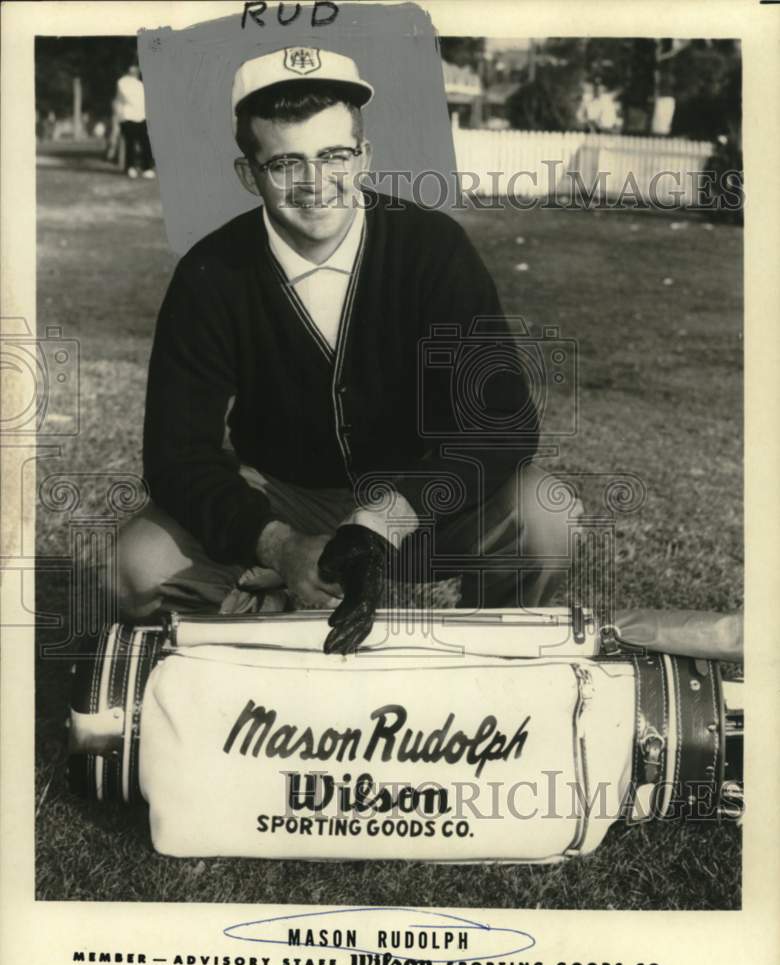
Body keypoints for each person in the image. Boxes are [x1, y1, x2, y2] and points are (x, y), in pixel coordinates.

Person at [116, 46, 582, 653]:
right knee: (135, 565)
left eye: (333, 155)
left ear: (364, 157)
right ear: (247, 173)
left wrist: (390, 515)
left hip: (418, 499)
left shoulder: (431, 249)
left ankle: (490, 670)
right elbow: (176, 455)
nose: (315, 184)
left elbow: (503, 422)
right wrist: (275, 543)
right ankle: (253, 648)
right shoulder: (212, 272)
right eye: (286, 162)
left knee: (547, 518)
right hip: (284, 498)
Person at [114, 64, 155, 179]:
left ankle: (146, 168)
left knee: (145, 143)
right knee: (130, 144)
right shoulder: (122, 83)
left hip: (141, 117)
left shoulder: (140, 84)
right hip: (128, 117)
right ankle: (130, 167)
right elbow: (129, 98)